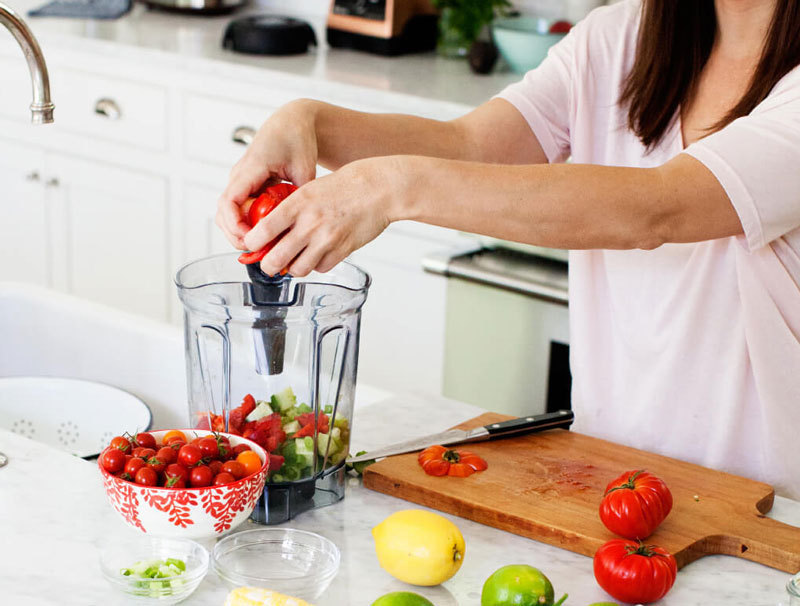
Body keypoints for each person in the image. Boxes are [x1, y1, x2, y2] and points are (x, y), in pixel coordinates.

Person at [216, 0, 800, 498]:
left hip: (764, 508)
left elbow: (656, 209)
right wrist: (306, 122)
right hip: (614, 483)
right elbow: (470, 144)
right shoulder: (617, 40)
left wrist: (389, 187)